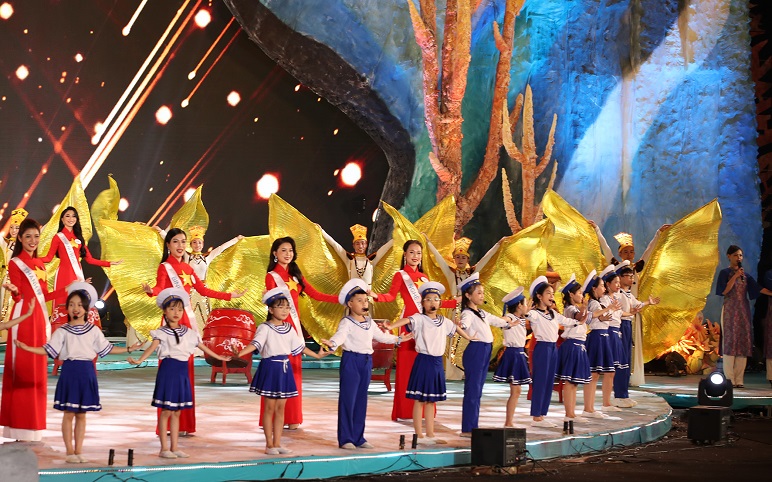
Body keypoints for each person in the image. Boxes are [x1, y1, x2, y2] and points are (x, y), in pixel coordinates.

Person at [15, 283, 141, 463]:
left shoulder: (94, 330)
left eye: (80, 305)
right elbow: (48, 350)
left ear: (86, 309)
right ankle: (69, 452)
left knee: (82, 414)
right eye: (72, 305)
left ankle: (78, 451)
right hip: (70, 372)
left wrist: (129, 349)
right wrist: (27, 348)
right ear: (67, 308)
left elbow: (107, 349)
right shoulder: (62, 331)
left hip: (86, 372)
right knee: (69, 413)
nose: (76, 308)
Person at [142, 227, 245, 435]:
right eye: (176, 242)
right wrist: (151, 291)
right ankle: (168, 425)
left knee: (185, 372)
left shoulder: (188, 269)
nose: (180, 245)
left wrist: (229, 296)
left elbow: (203, 290)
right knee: (171, 371)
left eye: (183, 241)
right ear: (168, 245)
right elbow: (160, 288)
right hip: (172, 324)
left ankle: (184, 424)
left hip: (187, 323)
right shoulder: (164, 267)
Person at [129, 288, 231, 458]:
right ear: (164, 311)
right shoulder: (161, 332)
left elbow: (203, 347)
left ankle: (175, 447)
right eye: (172, 309)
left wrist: (220, 357)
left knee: (177, 411)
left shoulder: (189, 333)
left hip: (182, 373)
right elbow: (152, 348)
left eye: (179, 309)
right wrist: (139, 360)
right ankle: (164, 449)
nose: (176, 313)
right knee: (166, 411)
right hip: (168, 371)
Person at [370, 239, 457, 420]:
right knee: (407, 369)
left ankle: (425, 411)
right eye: (411, 252)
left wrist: (454, 302)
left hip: (427, 326)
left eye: (418, 253)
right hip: (408, 326)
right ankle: (405, 411)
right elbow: (390, 296)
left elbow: (434, 303)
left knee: (426, 367)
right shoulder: (400, 275)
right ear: (405, 254)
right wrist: (376, 296)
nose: (415, 256)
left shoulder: (424, 277)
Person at [1, 217, 69, 441]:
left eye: (36, 236)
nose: (32, 240)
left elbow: (44, 296)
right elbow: (19, 295)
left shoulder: (40, 263)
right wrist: (13, 291)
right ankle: (19, 426)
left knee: (37, 370)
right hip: (23, 318)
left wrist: (66, 290)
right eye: (28, 236)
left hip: (39, 318)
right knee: (23, 368)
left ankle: (34, 426)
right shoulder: (15, 262)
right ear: (20, 238)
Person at [320, 279, 409, 449]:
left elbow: (381, 336)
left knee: (361, 400)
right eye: (359, 301)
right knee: (348, 399)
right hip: (351, 361)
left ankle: (359, 437)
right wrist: (332, 343)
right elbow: (340, 336)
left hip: (366, 362)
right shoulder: (347, 322)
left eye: (365, 300)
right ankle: (346, 438)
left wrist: (398, 339)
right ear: (350, 304)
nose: (364, 304)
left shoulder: (369, 321)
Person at [238, 287, 328, 455]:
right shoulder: (264, 327)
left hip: (284, 369)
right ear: (271, 310)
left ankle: (278, 443)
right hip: (270, 368)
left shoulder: (289, 328)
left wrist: (317, 355)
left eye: (287, 307)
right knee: (269, 408)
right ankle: (269, 445)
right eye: (280, 307)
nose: (285, 310)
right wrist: (239, 353)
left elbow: (299, 347)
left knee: (281, 409)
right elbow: (255, 344)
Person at [384, 282, 474, 444]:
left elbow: (455, 328)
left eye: (435, 299)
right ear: (423, 303)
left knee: (431, 400)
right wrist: (390, 326)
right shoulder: (419, 319)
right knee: (419, 400)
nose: (432, 302)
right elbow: (405, 320)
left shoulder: (444, 321)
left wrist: (469, 337)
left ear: (440, 303)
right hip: (424, 361)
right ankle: (419, 435)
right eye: (428, 299)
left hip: (437, 363)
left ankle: (431, 435)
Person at [264, 236, 338, 429]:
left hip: (294, 330)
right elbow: (272, 305)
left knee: (293, 374)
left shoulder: (296, 276)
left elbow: (316, 294)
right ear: (275, 253)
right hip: (279, 331)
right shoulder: (271, 276)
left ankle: (292, 417)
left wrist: (341, 299)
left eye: (290, 250)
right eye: (283, 250)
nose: (288, 254)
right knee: (279, 374)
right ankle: (275, 419)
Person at [153, 224, 243, 331]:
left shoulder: (207, 257)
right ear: (190, 244)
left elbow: (222, 248)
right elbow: (172, 242)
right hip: (190, 291)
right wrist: (161, 231)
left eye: (199, 242)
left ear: (203, 244)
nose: (197, 245)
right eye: (194, 242)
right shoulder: (187, 256)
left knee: (205, 317)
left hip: (203, 291)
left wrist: (236, 239)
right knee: (189, 317)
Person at [457, 273, 514, 436]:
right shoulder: (467, 313)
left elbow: (498, 321)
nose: (482, 295)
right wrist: (462, 326)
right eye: (479, 293)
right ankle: (468, 428)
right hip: (476, 351)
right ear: (468, 296)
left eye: (482, 292)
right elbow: (464, 325)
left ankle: (472, 425)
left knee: (478, 390)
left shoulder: (481, 313)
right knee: (473, 390)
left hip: (484, 351)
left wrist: (509, 322)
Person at [39, 207, 121, 306]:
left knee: (77, 302)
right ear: (62, 219)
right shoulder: (58, 237)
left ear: (77, 219)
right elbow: (48, 258)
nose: (71, 219)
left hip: (76, 274)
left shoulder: (79, 238)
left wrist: (109, 263)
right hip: (63, 274)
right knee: (63, 301)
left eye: (74, 216)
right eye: (67, 216)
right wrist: (31, 260)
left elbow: (90, 260)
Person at [614, 262, 659, 406]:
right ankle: (618, 395)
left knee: (627, 361)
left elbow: (635, 304)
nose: (630, 279)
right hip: (621, 325)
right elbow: (620, 312)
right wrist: (630, 312)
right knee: (621, 362)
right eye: (627, 276)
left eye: (631, 276)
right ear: (620, 278)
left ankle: (624, 394)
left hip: (628, 325)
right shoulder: (618, 294)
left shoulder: (628, 294)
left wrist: (648, 303)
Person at [527, 276, 570, 427]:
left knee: (549, 381)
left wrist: (585, 318)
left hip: (553, 348)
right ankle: (536, 416)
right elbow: (527, 315)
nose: (552, 296)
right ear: (539, 296)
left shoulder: (552, 313)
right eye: (548, 293)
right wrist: (526, 311)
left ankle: (542, 414)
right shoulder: (535, 314)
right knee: (540, 380)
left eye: (552, 293)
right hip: (542, 348)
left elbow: (567, 321)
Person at [715, 245, 760, 388]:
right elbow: (724, 291)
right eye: (735, 255)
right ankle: (729, 379)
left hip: (743, 311)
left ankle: (739, 379)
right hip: (730, 310)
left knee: (742, 343)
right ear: (728, 256)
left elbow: (758, 290)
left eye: (740, 255)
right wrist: (734, 276)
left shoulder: (746, 276)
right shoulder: (725, 273)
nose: (738, 258)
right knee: (730, 343)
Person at [582, 269, 619, 418]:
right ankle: (588, 409)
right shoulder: (593, 303)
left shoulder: (597, 302)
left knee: (598, 374)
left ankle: (592, 407)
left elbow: (603, 317)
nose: (604, 288)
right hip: (597, 337)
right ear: (594, 288)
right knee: (593, 374)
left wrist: (609, 311)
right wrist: (609, 309)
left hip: (603, 337)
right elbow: (598, 316)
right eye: (602, 286)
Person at [557, 274, 591, 434]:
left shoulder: (576, 308)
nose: (582, 296)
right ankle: (568, 414)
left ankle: (572, 413)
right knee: (570, 383)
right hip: (572, 346)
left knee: (574, 383)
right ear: (571, 294)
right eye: (579, 293)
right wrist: (584, 308)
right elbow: (579, 317)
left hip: (579, 345)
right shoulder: (571, 309)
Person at [493, 287, 531, 427]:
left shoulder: (520, 318)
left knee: (517, 391)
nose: (526, 306)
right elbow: (503, 319)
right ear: (519, 306)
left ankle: (509, 421)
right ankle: (508, 422)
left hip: (519, 354)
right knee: (516, 390)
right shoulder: (511, 317)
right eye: (525, 304)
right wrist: (508, 323)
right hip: (513, 354)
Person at [322, 224, 391, 288]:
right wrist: (322, 231)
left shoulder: (371, 260)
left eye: (363, 243)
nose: (360, 246)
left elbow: (386, 247)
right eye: (357, 243)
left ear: (366, 245)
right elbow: (335, 245)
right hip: (353, 294)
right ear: (353, 245)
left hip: (367, 295)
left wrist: (396, 236)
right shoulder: (349, 259)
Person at [1, 208, 27, 329]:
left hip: (17, 279)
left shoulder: (24, 246)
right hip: (5, 278)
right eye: (12, 227)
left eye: (17, 228)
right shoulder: (6, 243)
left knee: (13, 305)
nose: (14, 230)